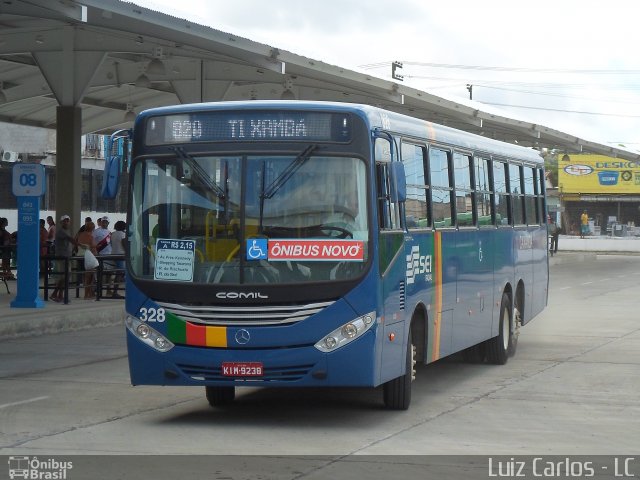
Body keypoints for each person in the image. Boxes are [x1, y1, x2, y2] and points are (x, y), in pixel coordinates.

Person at [50, 215, 79, 302]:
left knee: (65, 276)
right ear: (60, 222)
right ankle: (56, 294)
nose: (66, 222)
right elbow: (70, 239)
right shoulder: (61, 232)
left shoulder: (67, 231)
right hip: (62, 257)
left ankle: (58, 294)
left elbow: (69, 242)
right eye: (64, 221)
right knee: (64, 276)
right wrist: (79, 245)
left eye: (67, 221)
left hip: (67, 256)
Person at [77, 221, 97, 299]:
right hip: (88, 257)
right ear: (92, 228)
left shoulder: (80, 235)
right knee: (89, 276)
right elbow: (93, 246)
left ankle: (89, 293)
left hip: (80, 256)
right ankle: (87, 294)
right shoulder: (90, 236)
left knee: (85, 276)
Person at [93, 216, 113, 297]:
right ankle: (97, 289)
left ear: (108, 223)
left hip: (109, 255)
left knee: (109, 273)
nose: (104, 223)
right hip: (100, 255)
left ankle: (108, 290)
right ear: (100, 222)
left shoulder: (109, 232)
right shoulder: (96, 232)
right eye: (103, 221)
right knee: (99, 274)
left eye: (106, 222)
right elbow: (93, 242)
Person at [110, 220, 126, 299]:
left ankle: (113, 290)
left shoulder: (113, 234)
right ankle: (115, 292)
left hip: (113, 254)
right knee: (119, 273)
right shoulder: (122, 234)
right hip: (121, 255)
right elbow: (124, 245)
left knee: (117, 273)